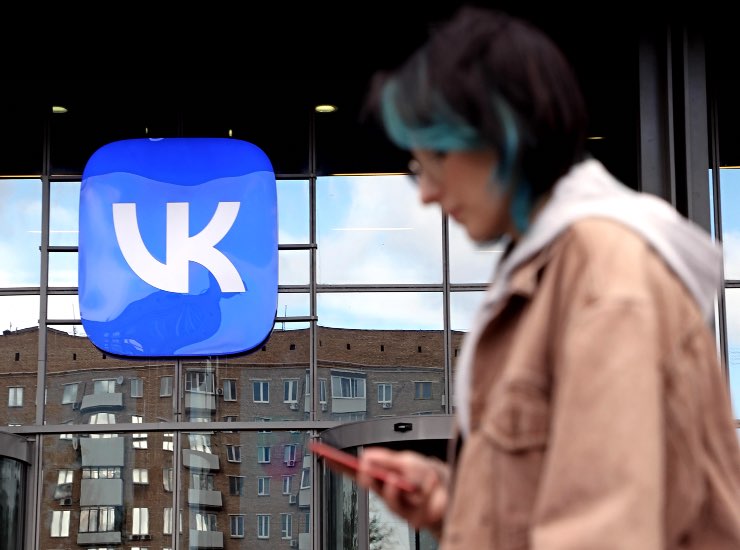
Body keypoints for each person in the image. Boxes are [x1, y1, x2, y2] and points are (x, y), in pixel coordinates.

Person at [353, 5, 740, 549]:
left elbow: (602, 533)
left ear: (505, 133)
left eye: (437, 157)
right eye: (418, 167)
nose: (427, 192)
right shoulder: (554, 270)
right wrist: (450, 504)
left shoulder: (604, 275)